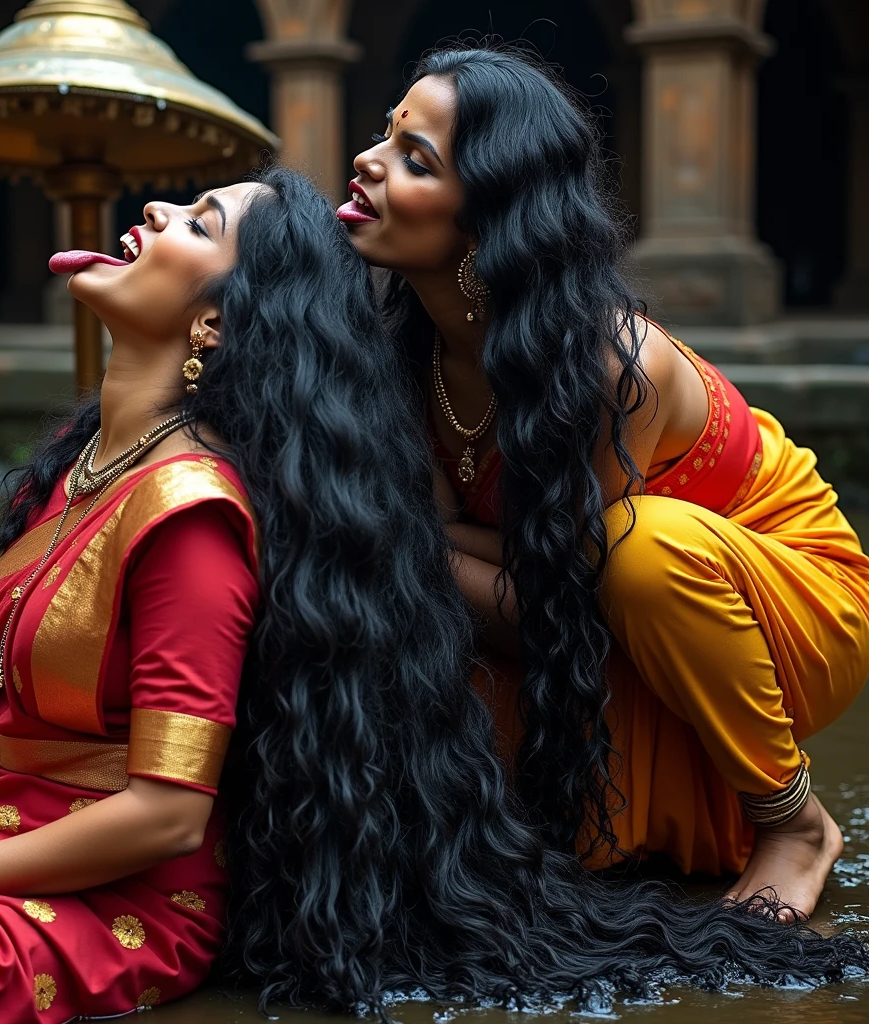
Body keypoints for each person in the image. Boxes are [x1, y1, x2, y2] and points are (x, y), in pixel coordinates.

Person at [0, 169, 863, 1024]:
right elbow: (4, 686)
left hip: (98, 896)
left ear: (215, 320)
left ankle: (789, 817)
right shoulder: (80, 471)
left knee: (634, 554)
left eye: (200, 222)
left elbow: (163, 815)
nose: (152, 211)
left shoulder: (189, 513)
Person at [339, 44, 869, 922]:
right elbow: (475, 581)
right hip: (588, 614)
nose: (367, 160)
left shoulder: (608, 366)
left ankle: (793, 822)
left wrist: (399, 538)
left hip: (785, 610)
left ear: (489, 218)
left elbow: (557, 595)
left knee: (633, 547)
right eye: (385, 135)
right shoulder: (409, 353)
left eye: (414, 158)